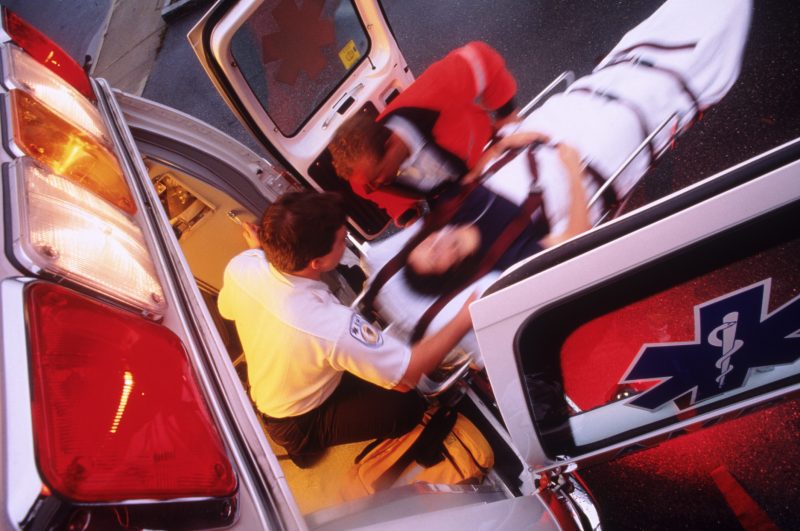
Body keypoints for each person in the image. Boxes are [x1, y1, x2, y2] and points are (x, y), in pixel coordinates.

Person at [359, 0, 752, 359]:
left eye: (424, 244)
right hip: (587, 153)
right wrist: (570, 167)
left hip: (546, 130)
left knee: (620, 67)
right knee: (651, 90)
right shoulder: (504, 261)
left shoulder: (449, 212)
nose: (434, 242)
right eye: (436, 256)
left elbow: (476, 176)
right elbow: (573, 240)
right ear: (451, 271)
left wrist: (504, 143)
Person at [217, 191, 475, 467]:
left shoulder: (242, 266)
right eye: (341, 241)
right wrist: (465, 316)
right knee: (407, 408)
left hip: (287, 378)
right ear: (317, 263)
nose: (345, 241)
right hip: (297, 419)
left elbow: (226, 310)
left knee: (360, 368)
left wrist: (258, 252)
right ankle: (305, 447)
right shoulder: (331, 325)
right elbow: (407, 376)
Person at [329, 40, 532, 225]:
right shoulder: (364, 178)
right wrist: (405, 213)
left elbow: (480, 57)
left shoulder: (433, 94)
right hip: (450, 198)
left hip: (491, 156)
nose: (375, 186)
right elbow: (370, 191)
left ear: (390, 145)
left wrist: (506, 114)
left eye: (376, 178)